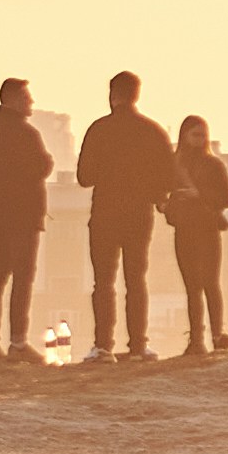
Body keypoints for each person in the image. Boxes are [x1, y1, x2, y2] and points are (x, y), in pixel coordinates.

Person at [73, 70, 172, 361]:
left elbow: (84, 177)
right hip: (139, 214)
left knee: (103, 282)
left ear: (112, 95)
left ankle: (103, 346)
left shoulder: (99, 129)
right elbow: (168, 176)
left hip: (104, 213)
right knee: (136, 280)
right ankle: (138, 345)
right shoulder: (152, 131)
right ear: (137, 95)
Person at [0, 77, 52, 362]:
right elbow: (41, 167)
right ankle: (18, 343)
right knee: (23, 277)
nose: (31, 102)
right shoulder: (26, 133)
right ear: (14, 100)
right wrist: (47, 163)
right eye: (27, 97)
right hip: (25, 216)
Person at [166, 114, 228, 355]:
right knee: (192, 286)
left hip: (207, 230)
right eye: (195, 135)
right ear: (184, 136)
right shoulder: (174, 164)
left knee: (210, 283)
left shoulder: (213, 165)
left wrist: (199, 194)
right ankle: (196, 339)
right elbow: (162, 192)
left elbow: (227, 197)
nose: (199, 140)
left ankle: (217, 335)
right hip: (184, 229)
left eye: (203, 135)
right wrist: (169, 204)